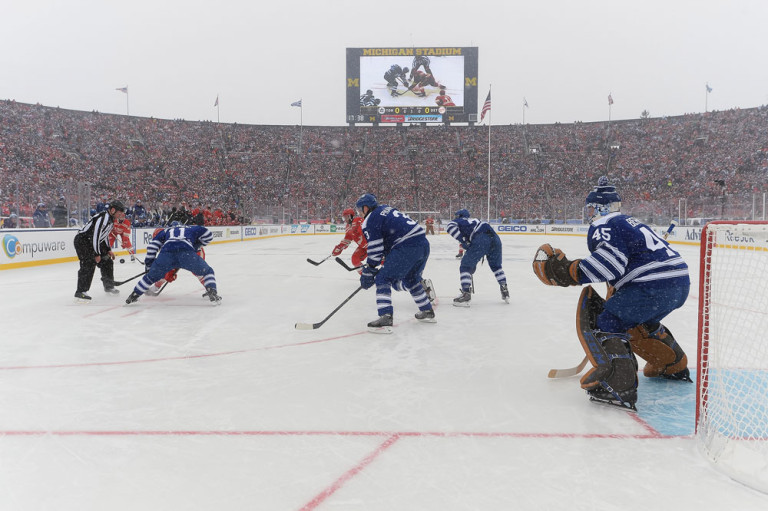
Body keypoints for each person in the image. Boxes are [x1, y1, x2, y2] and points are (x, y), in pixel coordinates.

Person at [532, 176, 691, 410]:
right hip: (678, 284)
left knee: (605, 321)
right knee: (639, 321)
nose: (588, 214)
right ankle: (673, 364)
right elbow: (625, 264)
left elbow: (609, 264)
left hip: (650, 286)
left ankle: (617, 384)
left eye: (590, 208)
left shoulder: (603, 224)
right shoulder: (630, 221)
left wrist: (568, 272)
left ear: (598, 207)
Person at [356, 193, 435, 333]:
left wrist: (370, 269)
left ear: (366, 208)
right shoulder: (386, 209)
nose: (360, 213)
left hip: (406, 246)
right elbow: (389, 239)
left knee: (383, 278)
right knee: (412, 280)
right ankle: (427, 311)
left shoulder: (370, 219)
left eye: (360, 210)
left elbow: (375, 248)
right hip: (422, 245)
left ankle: (385, 316)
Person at [125, 223, 221, 305]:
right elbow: (208, 235)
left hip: (175, 253)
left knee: (151, 276)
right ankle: (212, 291)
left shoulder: (164, 233)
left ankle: (134, 295)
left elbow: (152, 247)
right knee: (206, 272)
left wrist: (150, 267)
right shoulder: (190, 229)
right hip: (187, 253)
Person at [447, 209, 509, 306]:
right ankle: (504, 289)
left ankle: (466, 294)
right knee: (496, 266)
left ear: (460, 215)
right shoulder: (475, 220)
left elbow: (450, 227)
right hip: (495, 238)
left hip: (481, 239)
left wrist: (463, 241)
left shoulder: (459, 221)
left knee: (465, 267)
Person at [73, 200, 126, 300]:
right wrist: (97, 254)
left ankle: (109, 286)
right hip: (82, 241)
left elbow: (104, 236)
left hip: (92, 242)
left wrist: (108, 249)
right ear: (113, 210)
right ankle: (81, 291)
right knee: (88, 263)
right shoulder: (103, 218)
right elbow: (95, 236)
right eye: (119, 212)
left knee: (107, 261)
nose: (121, 215)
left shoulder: (110, 220)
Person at [143, 226, 209, 296]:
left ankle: (210, 288)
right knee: (165, 271)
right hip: (182, 252)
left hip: (195, 252)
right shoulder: (168, 236)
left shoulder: (169, 239)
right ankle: (156, 287)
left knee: (198, 272)